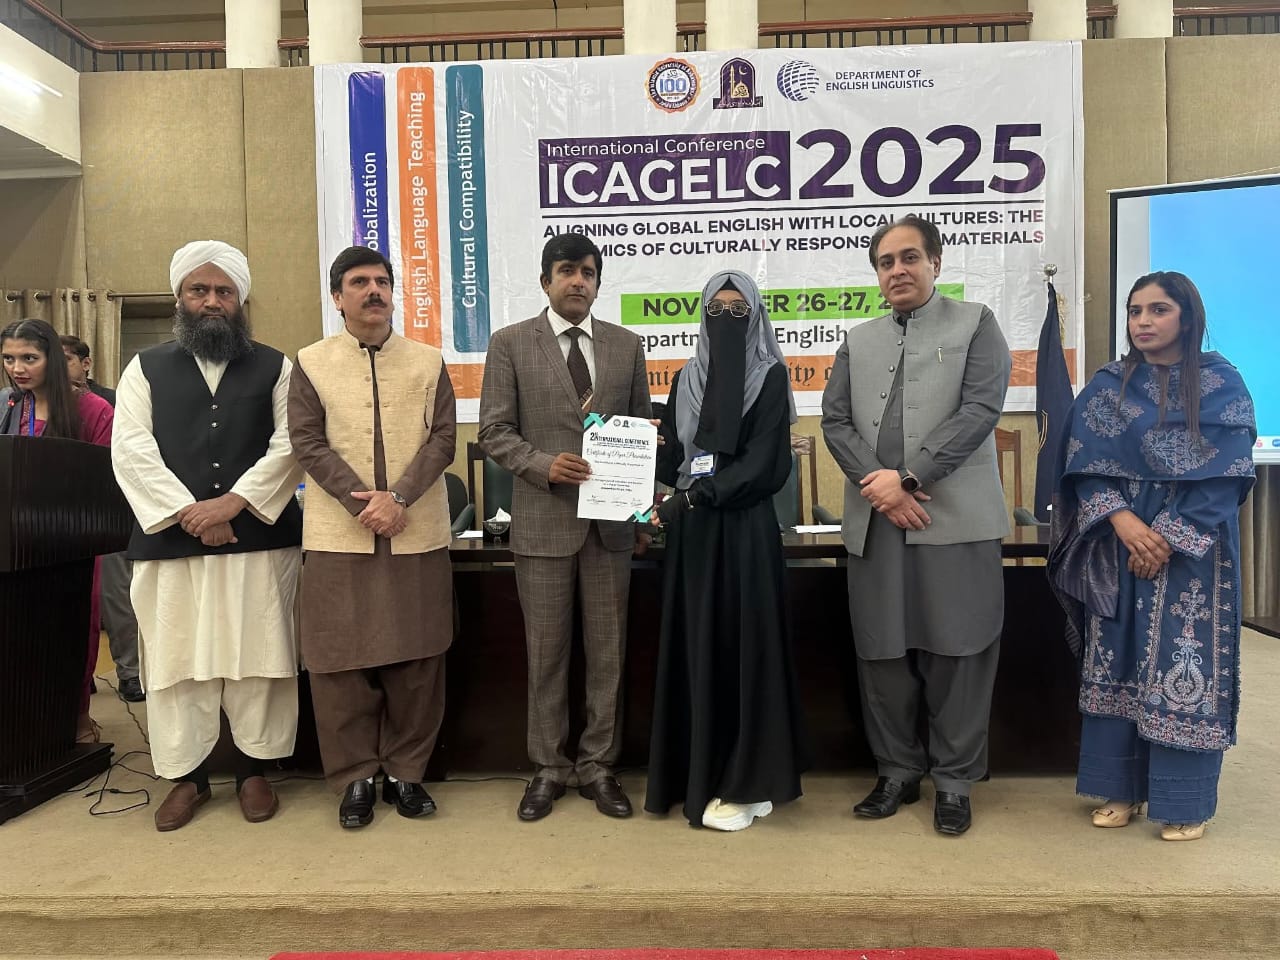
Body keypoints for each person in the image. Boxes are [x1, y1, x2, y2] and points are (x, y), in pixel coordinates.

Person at [820, 214, 1011, 836]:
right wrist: (880, 488)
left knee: (960, 650)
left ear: (935, 263)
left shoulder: (976, 323)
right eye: (886, 262)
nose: (897, 270)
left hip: (954, 520)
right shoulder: (858, 340)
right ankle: (897, 771)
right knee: (883, 652)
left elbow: (981, 409)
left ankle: (955, 782)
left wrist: (908, 478)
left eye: (909, 258)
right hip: (877, 523)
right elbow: (835, 421)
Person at [1048, 271, 1256, 842]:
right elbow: (1081, 464)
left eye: (1158, 310)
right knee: (1114, 659)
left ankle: (1183, 800)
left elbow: (1228, 474)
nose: (1143, 321)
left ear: (1187, 317)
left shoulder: (1222, 384)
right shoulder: (1108, 385)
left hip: (1195, 552)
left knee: (1182, 664)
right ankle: (1119, 788)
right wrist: (1124, 522)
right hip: (1117, 541)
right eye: (1135, 310)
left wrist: (1166, 536)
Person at [111, 240, 303, 832]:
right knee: (176, 661)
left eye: (224, 291)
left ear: (241, 300)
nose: (212, 301)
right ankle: (186, 778)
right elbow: (131, 448)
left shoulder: (276, 366)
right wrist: (188, 512)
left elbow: (291, 444)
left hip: (258, 540)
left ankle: (253, 771)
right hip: (171, 542)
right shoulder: (143, 368)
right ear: (180, 298)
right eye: (200, 290)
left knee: (260, 657)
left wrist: (232, 504)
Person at [478, 232, 652, 822]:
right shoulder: (510, 343)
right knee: (546, 654)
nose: (578, 280)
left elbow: (639, 428)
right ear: (545, 280)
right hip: (543, 524)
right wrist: (542, 465)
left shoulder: (626, 345)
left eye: (588, 272)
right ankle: (548, 767)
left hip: (611, 529)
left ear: (598, 283)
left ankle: (599, 765)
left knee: (608, 655)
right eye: (567, 270)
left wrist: (641, 509)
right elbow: (494, 430)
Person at [289, 246, 456, 829]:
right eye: (359, 282)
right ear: (338, 297)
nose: (374, 291)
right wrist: (363, 503)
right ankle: (356, 776)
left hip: (416, 530)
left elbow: (443, 439)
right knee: (338, 663)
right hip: (339, 534)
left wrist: (399, 498)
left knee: (419, 657)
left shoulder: (428, 361)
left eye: (382, 281)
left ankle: (408, 773)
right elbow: (307, 442)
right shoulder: (310, 363)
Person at [644, 270, 809, 831]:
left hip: (743, 533)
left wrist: (695, 497)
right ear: (702, 316)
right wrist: (642, 454)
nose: (728, 320)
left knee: (745, 650)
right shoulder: (686, 378)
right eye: (717, 311)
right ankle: (700, 775)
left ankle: (749, 783)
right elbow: (676, 460)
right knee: (699, 647)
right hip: (693, 537)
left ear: (757, 317)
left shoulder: (770, 377)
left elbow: (764, 466)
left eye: (740, 312)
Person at [2, 318, 114, 744]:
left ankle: (77, 713)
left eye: (29, 358)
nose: (18, 369)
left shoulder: (93, 410)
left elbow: (106, 479)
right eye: (9, 358)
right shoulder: (8, 406)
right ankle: (26, 719)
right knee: (20, 631)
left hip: (73, 540)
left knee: (75, 627)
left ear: (52, 357)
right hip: (15, 540)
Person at [62, 334, 143, 703]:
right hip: (59, 517)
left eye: (66, 359)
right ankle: (80, 673)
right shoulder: (33, 404)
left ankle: (131, 673)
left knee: (115, 596)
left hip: (110, 511)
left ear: (85, 363)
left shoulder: (111, 400)